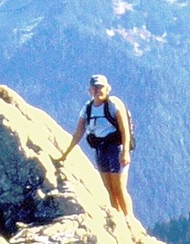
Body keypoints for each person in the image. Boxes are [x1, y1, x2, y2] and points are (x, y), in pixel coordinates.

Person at [57, 74, 134, 217]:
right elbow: (78, 134)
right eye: (94, 88)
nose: (97, 90)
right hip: (101, 150)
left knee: (119, 188)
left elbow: (125, 129)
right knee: (108, 188)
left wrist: (125, 152)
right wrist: (64, 155)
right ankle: (118, 218)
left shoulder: (113, 105)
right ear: (89, 90)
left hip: (116, 149)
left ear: (107, 88)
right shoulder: (87, 109)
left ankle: (129, 220)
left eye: (100, 87)